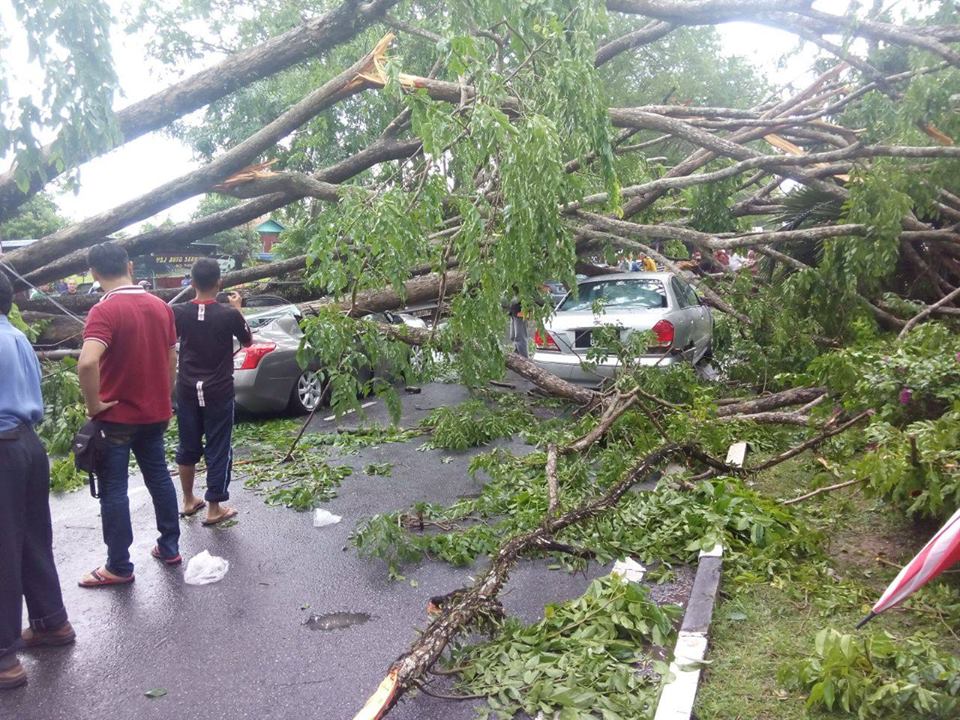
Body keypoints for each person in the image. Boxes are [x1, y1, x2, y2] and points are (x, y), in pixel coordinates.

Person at [77, 242, 181, 587]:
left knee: (114, 489)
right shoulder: (160, 306)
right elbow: (171, 359)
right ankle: (169, 547)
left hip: (117, 419)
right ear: (130, 266)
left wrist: (94, 405)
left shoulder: (103, 311)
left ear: (93, 272)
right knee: (160, 479)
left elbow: (88, 361)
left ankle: (119, 567)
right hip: (154, 414)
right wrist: (164, 397)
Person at [0, 271, 74, 690]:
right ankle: (51, 622)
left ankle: (4, 659)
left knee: (2, 549)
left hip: (2, 445)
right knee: (30, 538)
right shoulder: (16, 337)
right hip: (28, 445)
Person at [173, 259, 252, 526]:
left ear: (192, 283)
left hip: (186, 389)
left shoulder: (179, 312)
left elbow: (169, 341)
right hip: (218, 390)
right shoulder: (228, 314)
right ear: (219, 282)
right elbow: (247, 340)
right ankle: (214, 507)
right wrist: (238, 309)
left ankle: (187, 500)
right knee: (218, 446)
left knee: (187, 444)